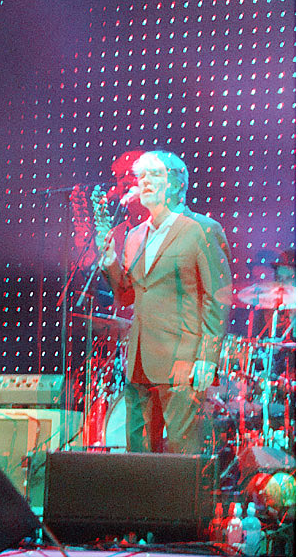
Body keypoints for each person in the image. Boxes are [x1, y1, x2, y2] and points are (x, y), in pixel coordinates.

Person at [96, 150, 233, 454]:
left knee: (182, 458)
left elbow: (217, 298)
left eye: (152, 176)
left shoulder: (202, 229)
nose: (142, 182)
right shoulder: (135, 236)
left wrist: (207, 359)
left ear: (174, 183)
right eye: (140, 176)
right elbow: (127, 297)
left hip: (181, 362)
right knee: (139, 458)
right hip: (140, 361)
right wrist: (111, 263)